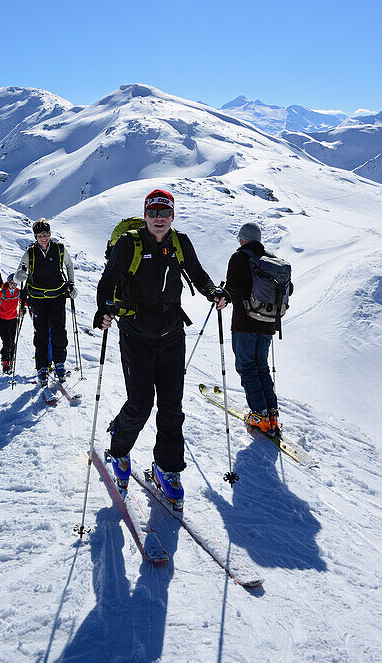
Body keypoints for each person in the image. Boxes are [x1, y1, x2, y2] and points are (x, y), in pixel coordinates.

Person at [94, 189, 227, 508]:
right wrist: (104, 308)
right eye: (153, 211)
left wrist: (213, 292)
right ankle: (119, 449)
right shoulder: (129, 244)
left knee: (171, 407)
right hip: (136, 334)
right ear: (145, 214)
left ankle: (167, 470)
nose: (158, 217)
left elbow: (196, 272)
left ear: (172, 215)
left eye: (164, 212)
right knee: (140, 403)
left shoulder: (180, 243)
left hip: (171, 334)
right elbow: (107, 281)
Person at [225, 222, 282, 434]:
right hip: (267, 324)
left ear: (242, 238)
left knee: (247, 367)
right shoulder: (272, 259)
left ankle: (259, 415)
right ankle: (272, 415)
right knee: (261, 367)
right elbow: (288, 288)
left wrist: (223, 294)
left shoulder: (239, 257)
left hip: (244, 322)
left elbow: (233, 287)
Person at [14, 219, 76, 387]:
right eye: (41, 235)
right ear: (35, 236)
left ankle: (59, 363)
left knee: (59, 332)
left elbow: (69, 265)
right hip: (38, 299)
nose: (44, 238)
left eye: (46, 234)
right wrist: (18, 276)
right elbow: (18, 273)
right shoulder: (30, 253)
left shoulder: (59, 249)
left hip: (57, 296)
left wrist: (71, 284)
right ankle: (42, 367)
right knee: (40, 334)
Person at [0, 273, 22, 375]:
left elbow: (24, 302)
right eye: (12, 283)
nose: (14, 285)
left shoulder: (18, 292)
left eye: (16, 284)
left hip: (13, 319)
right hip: (2, 319)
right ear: (8, 283)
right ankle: (5, 362)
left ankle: (11, 360)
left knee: (13, 342)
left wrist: (26, 307)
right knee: (6, 341)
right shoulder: (2, 293)